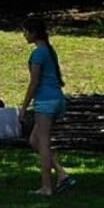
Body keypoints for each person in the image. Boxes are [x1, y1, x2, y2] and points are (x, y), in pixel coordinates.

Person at [22, 15, 74, 195]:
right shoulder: (49, 51)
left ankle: (46, 187)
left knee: (43, 143)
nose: (24, 35)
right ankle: (61, 173)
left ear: (34, 33)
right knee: (34, 140)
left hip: (45, 101)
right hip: (57, 99)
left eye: (26, 31)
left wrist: (24, 107)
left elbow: (34, 82)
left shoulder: (38, 53)